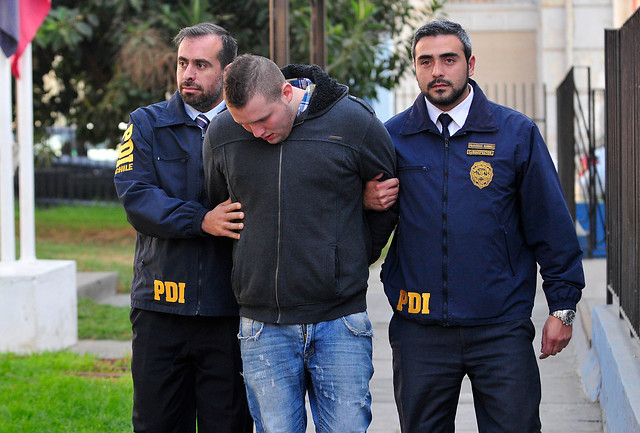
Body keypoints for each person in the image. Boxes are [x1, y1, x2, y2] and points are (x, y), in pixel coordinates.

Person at [381, 20, 585, 433]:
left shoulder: (515, 134)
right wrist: (368, 201)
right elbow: (367, 227)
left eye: (448, 59)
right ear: (415, 69)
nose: (437, 70)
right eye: (426, 61)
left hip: (500, 327)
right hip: (419, 331)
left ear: (470, 64)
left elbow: (551, 225)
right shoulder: (392, 137)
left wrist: (563, 307)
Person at [202, 54, 397, 433]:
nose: (256, 132)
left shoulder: (354, 121)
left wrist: (351, 256)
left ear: (287, 92)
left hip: (340, 322)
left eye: (262, 120)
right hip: (262, 325)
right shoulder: (223, 132)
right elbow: (220, 203)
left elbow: (388, 198)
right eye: (246, 124)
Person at [113, 23, 252, 433]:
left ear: (227, 71)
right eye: (182, 63)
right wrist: (201, 220)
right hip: (161, 309)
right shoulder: (145, 124)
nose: (188, 73)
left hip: (230, 311)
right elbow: (136, 198)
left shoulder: (250, 126)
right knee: (157, 424)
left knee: (228, 425)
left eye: (201, 64)